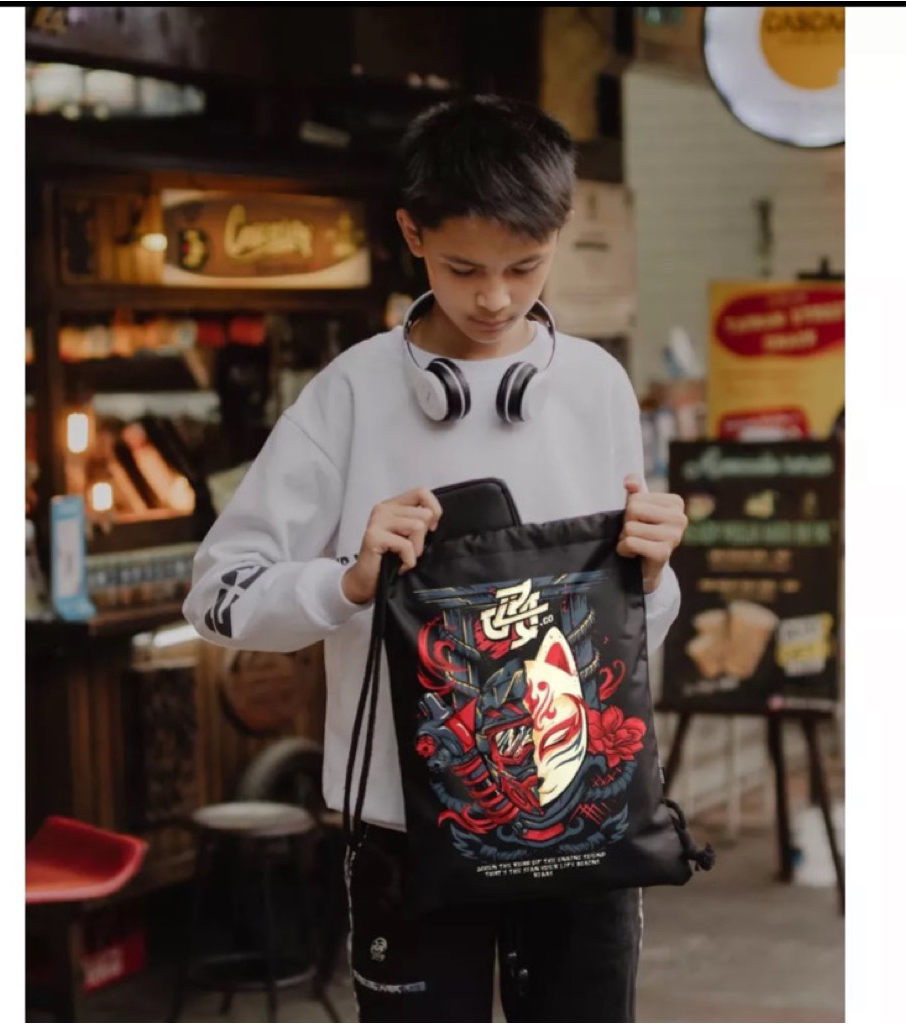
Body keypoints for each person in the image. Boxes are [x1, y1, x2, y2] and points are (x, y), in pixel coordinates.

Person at [183, 94, 689, 1023]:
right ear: (412, 234)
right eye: (463, 268)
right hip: (404, 824)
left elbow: (631, 635)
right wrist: (346, 581)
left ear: (560, 232)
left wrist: (652, 578)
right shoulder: (348, 395)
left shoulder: (597, 387)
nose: (495, 297)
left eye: (524, 267)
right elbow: (217, 595)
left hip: (582, 812)